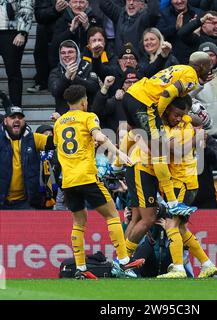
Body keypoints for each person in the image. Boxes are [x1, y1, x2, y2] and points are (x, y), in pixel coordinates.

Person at [53, 84, 144, 279]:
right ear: (84, 101)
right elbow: (99, 135)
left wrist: (89, 144)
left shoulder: (59, 123)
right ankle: (124, 261)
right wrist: (118, 152)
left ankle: (81, 268)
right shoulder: (88, 117)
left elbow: (66, 148)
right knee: (112, 214)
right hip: (86, 176)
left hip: (68, 181)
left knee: (78, 222)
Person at [122, 51, 212, 215]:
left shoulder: (180, 68)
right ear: (201, 67)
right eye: (209, 67)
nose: (210, 70)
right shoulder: (190, 77)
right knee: (159, 151)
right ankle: (172, 203)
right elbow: (167, 94)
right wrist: (159, 117)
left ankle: (116, 165)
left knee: (133, 130)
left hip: (132, 94)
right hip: (144, 102)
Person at [156, 97, 217, 279]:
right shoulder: (185, 124)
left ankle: (178, 268)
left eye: (181, 115)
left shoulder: (171, 129)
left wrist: (196, 136)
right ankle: (207, 264)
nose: (179, 118)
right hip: (190, 182)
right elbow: (200, 124)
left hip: (180, 183)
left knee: (171, 224)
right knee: (181, 227)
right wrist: (198, 135)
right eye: (176, 114)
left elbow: (175, 149)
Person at [0, 99, 55, 210]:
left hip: (26, 203)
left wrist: (60, 122)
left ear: (24, 121)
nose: (17, 120)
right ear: (5, 121)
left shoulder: (34, 138)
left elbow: (56, 141)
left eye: (20, 117)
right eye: (13, 117)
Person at [48, 39, 99, 115]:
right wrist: (66, 77)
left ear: (77, 53)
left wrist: (75, 78)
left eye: (70, 52)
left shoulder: (89, 67)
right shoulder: (55, 72)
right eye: (63, 53)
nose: (66, 55)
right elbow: (55, 91)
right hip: (64, 117)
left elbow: (94, 87)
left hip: (86, 116)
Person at [0, 0, 34, 106]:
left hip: (12, 32)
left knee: (13, 71)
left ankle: (16, 107)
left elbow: (27, 8)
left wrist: (22, 32)